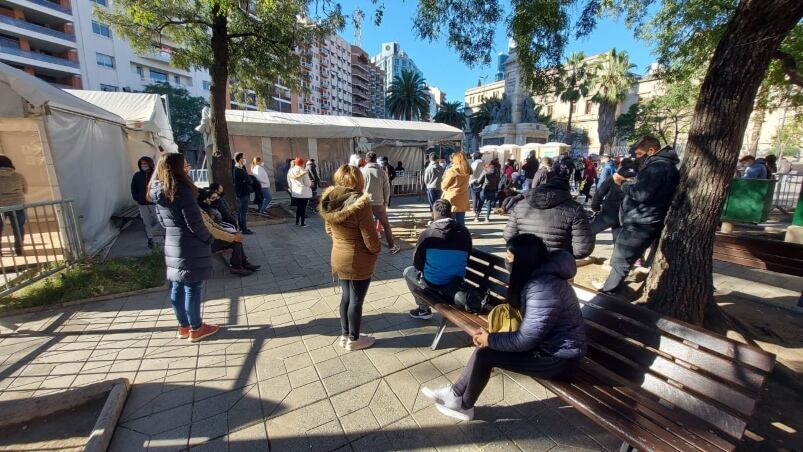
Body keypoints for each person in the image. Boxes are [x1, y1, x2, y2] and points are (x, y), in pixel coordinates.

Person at [421, 233, 587, 421]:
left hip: (558, 360)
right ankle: (454, 393)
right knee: (486, 346)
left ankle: (465, 406)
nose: (506, 260)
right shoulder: (539, 276)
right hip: (546, 347)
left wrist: (490, 339)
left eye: (509, 256)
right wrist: (490, 338)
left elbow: (525, 339)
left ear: (523, 259)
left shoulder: (542, 288)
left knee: (486, 354)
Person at [593, 137, 680, 294]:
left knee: (620, 259)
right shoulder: (663, 166)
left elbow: (641, 194)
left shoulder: (658, 167)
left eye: (640, 154)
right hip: (643, 218)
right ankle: (612, 286)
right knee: (622, 258)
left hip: (641, 221)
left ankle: (609, 291)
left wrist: (623, 183)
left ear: (651, 151)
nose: (637, 157)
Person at [149, 153, 219, 342]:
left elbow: (163, 222)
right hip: (190, 245)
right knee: (192, 287)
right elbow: (194, 224)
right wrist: (209, 239)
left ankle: (183, 326)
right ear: (178, 168)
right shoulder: (182, 191)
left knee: (177, 286)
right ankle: (196, 328)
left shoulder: (158, 191)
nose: (188, 168)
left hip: (172, 242)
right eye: (185, 165)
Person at [319, 165, 381, 351]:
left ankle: (345, 335)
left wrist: (342, 239)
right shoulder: (360, 203)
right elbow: (369, 237)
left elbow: (328, 229)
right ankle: (354, 340)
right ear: (358, 180)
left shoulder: (330, 199)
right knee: (356, 300)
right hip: (358, 259)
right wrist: (376, 251)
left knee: (346, 297)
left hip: (338, 255)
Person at [503, 157, 594, 259]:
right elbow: (582, 249)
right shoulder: (575, 209)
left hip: (523, 265)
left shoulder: (521, 205)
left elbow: (508, 236)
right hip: (555, 265)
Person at [405, 199, 472, 319]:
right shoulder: (464, 232)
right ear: (450, 213)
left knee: (408, 272)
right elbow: (468, 255)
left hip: (433, 284)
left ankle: (423, 310)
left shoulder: (428, 233)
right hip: (456, 283)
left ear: (433, 214)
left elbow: (417, 264)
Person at [197, 189, 260, 276]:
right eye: (207, 198)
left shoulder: (199, 209)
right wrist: (232, 237)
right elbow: (212, 231)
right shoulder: (197, 211)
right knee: (236, 242)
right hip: (206, 243)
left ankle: (243, 263)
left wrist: (230, 233)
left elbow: (213, 225)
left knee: (236, 239)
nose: (209, 200)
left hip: (209, 239)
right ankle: (236, 267)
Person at [590, 159, 637, 243]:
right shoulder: (638, 178)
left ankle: (581, 252)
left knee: (587, 231)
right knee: (618, 240)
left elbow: (600, 193)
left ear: (620, 166)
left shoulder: (613, 177)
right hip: (625, 215)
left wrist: (595, 207)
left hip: (608, 213)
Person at [361, 151, 400, 254]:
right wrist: (386, 202)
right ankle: (392, 247)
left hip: (365, 203)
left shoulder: (362, 171)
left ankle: (368, 247)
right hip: (378, 203)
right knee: (386, 225)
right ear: (375, 160)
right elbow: (387, 189)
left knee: (367, 225)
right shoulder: (382, 172)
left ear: (366, 160)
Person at [0, 155, 27, 256]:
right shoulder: (19, 176)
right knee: (18, 227)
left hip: (0, 207)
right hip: (18, 205)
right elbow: (25, 190)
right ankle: (18, 248)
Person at [130, 156, 159, 249]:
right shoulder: (137, 175)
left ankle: (165, 235)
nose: (144, 165)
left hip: (154, 203)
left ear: (150, 164)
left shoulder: (156, 175)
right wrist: (137, 198)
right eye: (142, 164)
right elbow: (133, 188)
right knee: (146, 222)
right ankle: (150, 239)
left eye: (145, 163)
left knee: (159, 220)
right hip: (142, 203)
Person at [441, 152, 472, 225]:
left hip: (452, 197)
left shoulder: (452, 170)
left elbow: (444, 186)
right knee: (461, 220)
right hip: (463, 196)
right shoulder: (467, 170)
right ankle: (461, 234)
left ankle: (452, 235)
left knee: (450, 220)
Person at [287, 157, 313, 227]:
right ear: (302, 163)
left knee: (298, 207)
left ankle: (297, 222)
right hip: (304, 192)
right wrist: (311, 184)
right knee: (303, 208)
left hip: (296, 192)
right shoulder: (303, 171)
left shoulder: (291, 171)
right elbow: (308, 184)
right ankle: (303, 223)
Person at [232, 152, 254, 234]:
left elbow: (247, 178)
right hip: (243, 193)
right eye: (242, 157)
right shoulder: (238, 169)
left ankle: (241, 228)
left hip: (241, 192)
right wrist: (247, 180)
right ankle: (244, 229)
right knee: (242, 212)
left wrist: (247, 179)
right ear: (239, 159)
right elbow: (248, 179)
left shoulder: (240, 168)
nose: (244, 159)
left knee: (241, 212)